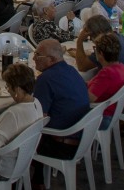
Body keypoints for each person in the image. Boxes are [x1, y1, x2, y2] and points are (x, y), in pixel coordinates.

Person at [28, 40, 91, 186]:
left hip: (61, 145)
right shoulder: (71, 70)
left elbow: (37, 119)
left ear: (51, 60)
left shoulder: (46, 79)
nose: (33, 58)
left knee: (15, 139)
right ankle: (37, 181)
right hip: (81, 138)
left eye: (38, 55)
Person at [87, 32, 124, 128]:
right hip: (113, 112)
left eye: (95, 49)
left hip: (101, 116)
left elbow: (88, 99)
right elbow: (96, 84)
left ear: (101, 54)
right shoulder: (121, 67)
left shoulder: (107, 74)